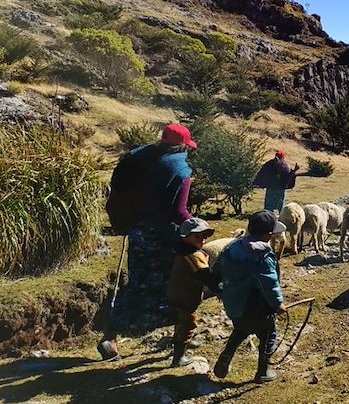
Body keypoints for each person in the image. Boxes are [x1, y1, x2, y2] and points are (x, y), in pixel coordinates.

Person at [98, 123, 197, 361]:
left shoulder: (142, 157)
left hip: (138, 231)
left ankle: (110, 336)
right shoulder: (181, 170)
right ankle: (179, 346)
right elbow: (180, 211)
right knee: (178, 286)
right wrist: (197, 225)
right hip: (164, 237)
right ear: (183, 145)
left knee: (137, 284)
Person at [213, 210, 288, 384]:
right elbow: (269, 283)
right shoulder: (262, 255)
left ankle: (227, 354)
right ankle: (263, 372)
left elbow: (217, 268)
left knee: (240, 330)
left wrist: (219, 289)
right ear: (269, 235)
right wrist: (278, 304)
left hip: (235, 304)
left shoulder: (233, 246)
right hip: (256, 306)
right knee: (268, 335)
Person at [166, 218, 222, 367]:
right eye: (197, 236)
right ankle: (179, 357)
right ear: (185, 236)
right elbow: (204, 275)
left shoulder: (180, 250)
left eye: (204, 236)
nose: (202, 240)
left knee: (180, 319)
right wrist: (219, 288)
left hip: (176, 292)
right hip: (186, 296)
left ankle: (177, 340)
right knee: (189, 324)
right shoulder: (193, 255)